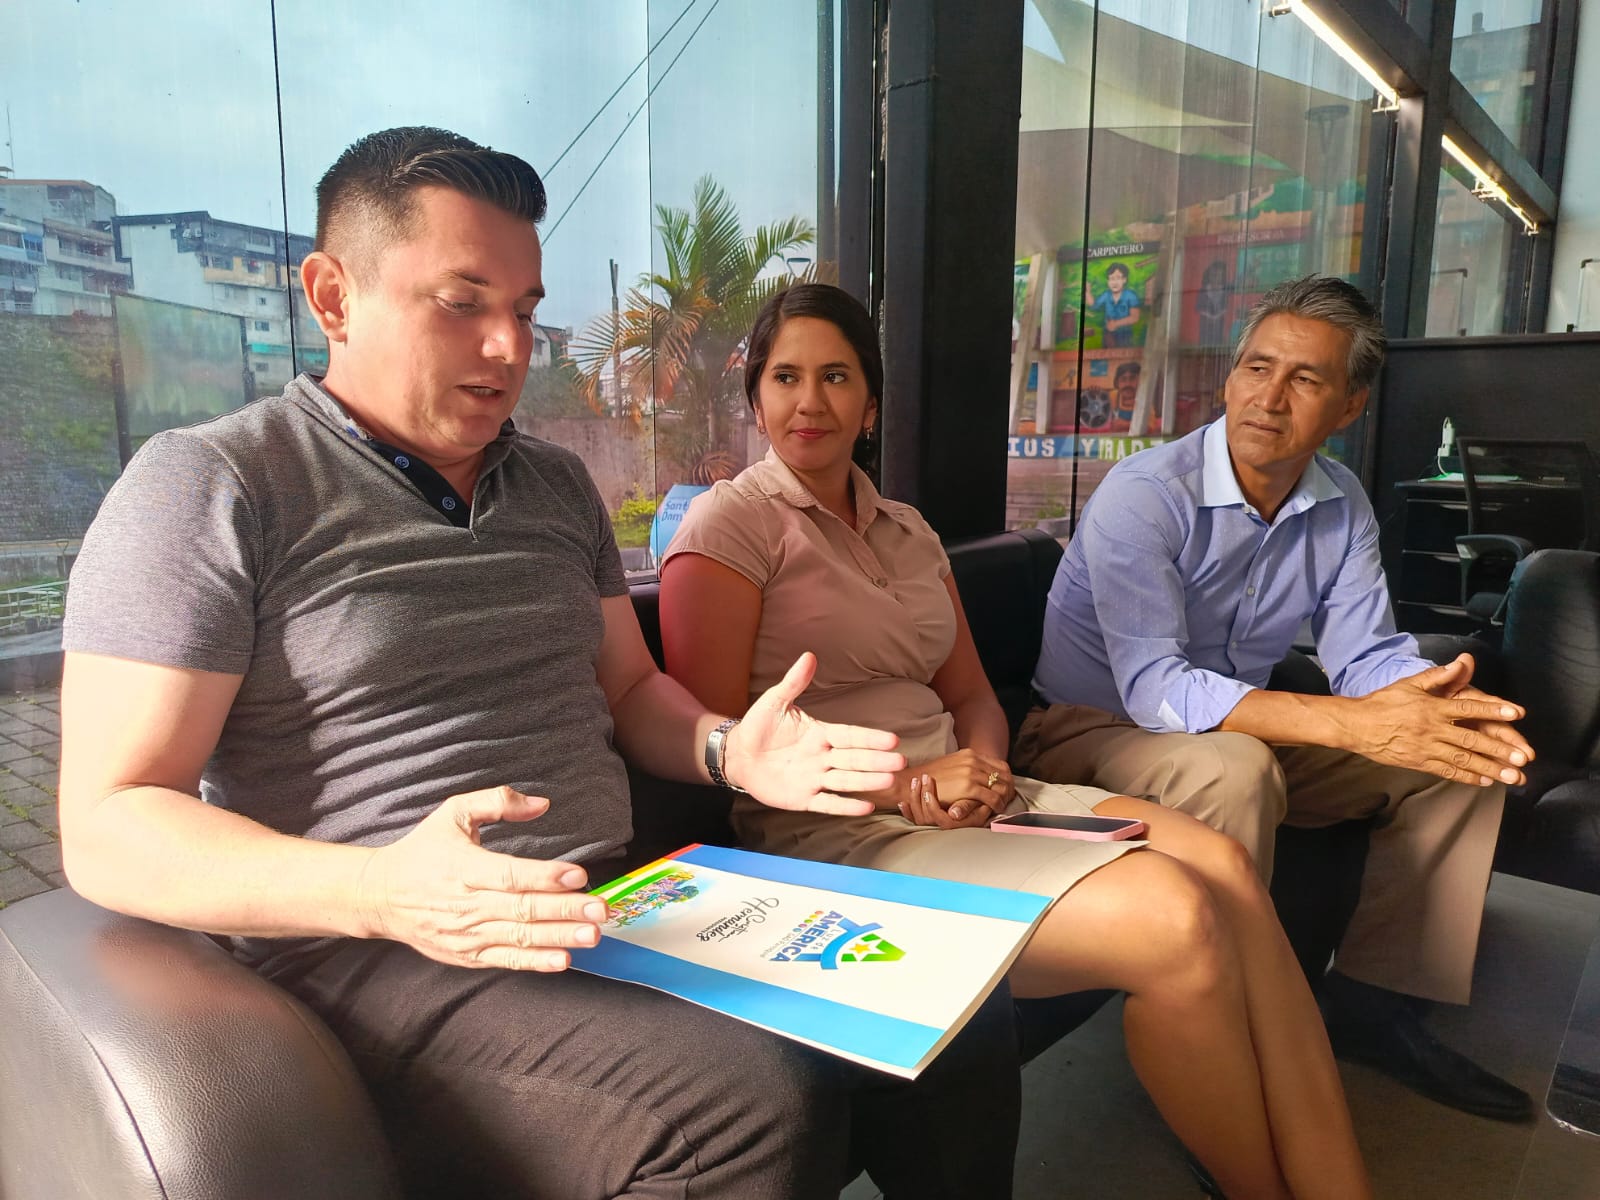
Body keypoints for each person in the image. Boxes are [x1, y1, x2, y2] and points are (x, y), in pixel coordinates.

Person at [55, 127, 1024, 1200]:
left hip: (618, 898)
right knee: (743, 1107)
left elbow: (630, 690)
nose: (507, 348)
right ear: (333, 297)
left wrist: (727, 749)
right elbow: (108, 821)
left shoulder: (555, 486)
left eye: (522, 311)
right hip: (385, 949)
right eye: (461, 302)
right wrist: (378, 891)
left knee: (953, 1000)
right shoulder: (215, 485)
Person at [660, 282, 1374, 1200]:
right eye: (786, 377)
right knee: (1177, 918)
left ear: (870, 404)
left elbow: (967, 692)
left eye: (835, 377)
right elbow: (725, 748)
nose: (810, 401)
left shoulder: (908, 531)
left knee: (1228, 871)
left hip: (974, 800)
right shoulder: (729, 525)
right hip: (834, 830)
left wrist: (987, 766)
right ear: (756, 399)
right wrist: (907, 787)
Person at [1022, 273, 1536, 1123]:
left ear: (1349, 407)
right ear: (1229, 379)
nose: (1269, 397)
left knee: (1457, 755)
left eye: (1305, 379)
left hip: (1241, 727)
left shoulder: (1341, 504)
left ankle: (1372, 1008)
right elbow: (1154, 688)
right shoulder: (1146, 495)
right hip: (1090, 732)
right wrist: (1350, 722)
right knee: (1235, 768)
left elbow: (1362, 655)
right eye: (1257, 368)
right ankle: (1220, 1054)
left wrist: (1423, 700)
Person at [1086, 260, 1142, 347]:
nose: (1114, 282)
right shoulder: (1106, 295)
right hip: (1108, 334)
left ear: (1124, 280)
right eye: (1111, 278)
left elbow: (1135, 317)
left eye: (1118, 278)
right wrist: (1087, 292)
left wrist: (1116, 324)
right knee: (1107, 353)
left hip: (1124, 334)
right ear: (1108, 281)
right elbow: (1093, 305)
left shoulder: (1130, 296)